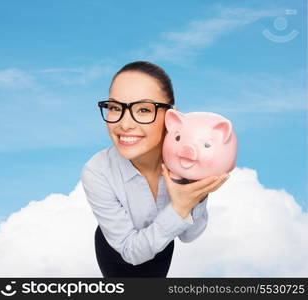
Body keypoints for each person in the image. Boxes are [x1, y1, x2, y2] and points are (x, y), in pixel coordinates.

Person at [80, 61, 229, 278]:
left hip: (161, 248)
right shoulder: (98, 171)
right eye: (115, 108)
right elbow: (130, 251)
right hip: (116, 253)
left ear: (171, 117)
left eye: (143, 110)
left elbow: (190, 235)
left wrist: (196, 192)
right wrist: (179, 207)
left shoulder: (187, 161)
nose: (125, 124)